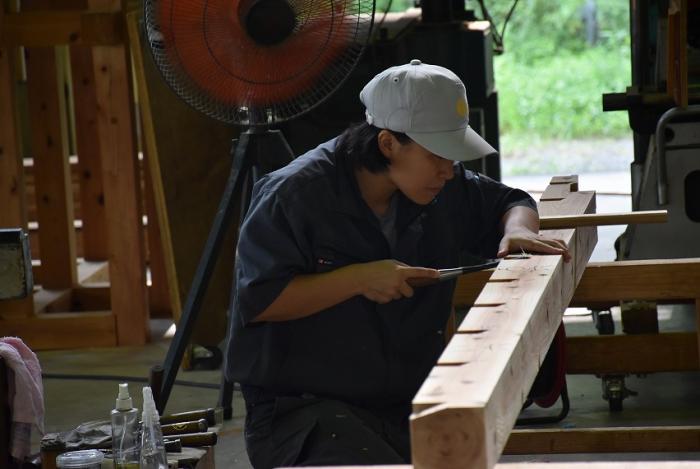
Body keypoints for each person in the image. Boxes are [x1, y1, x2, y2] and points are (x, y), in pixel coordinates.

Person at [225, 59, 569, 469]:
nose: (448, 170)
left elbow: (510, 202)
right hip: (303, 413)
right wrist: (358, 279)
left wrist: (519, 230)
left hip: (403, 404)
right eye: (437, 155)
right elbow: (260, 300)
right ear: (388, 143)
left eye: (453, 156)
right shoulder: (294, 196)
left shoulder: (438, 186)